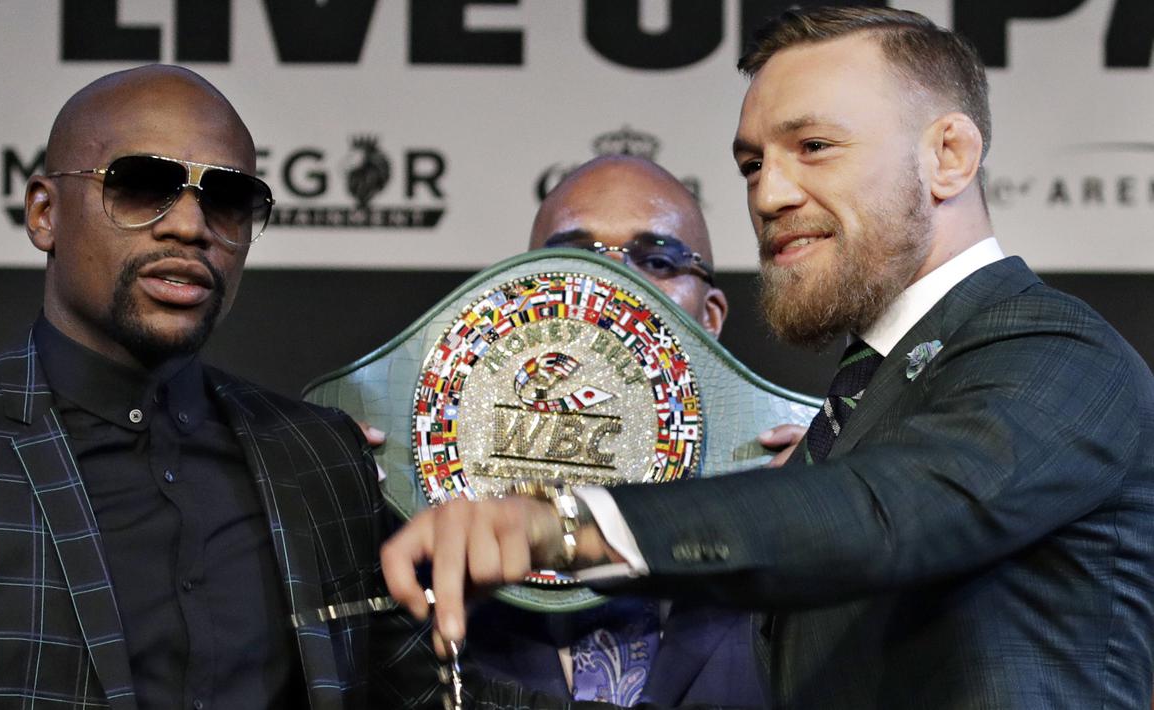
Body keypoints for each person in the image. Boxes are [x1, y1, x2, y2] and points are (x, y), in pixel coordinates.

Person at [381, 7, 1154, 710]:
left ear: (948, 155)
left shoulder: (1057, 352)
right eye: (752, 163)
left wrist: (558, 525)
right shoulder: (859, 405)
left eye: (813, 147)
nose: (768, 193)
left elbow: (881, 514)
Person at [0, 65, 438, 709]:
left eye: (226, 201)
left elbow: (431, 694)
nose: (191, 227)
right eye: (142, 186)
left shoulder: (320, 456)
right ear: (44, 213)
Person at [462, 154, 779, 707]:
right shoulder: (434, 504)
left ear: (710, 317)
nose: (612, 283)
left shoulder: (798, 496)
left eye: (656, 260)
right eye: (571, 257)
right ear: (522, 293)